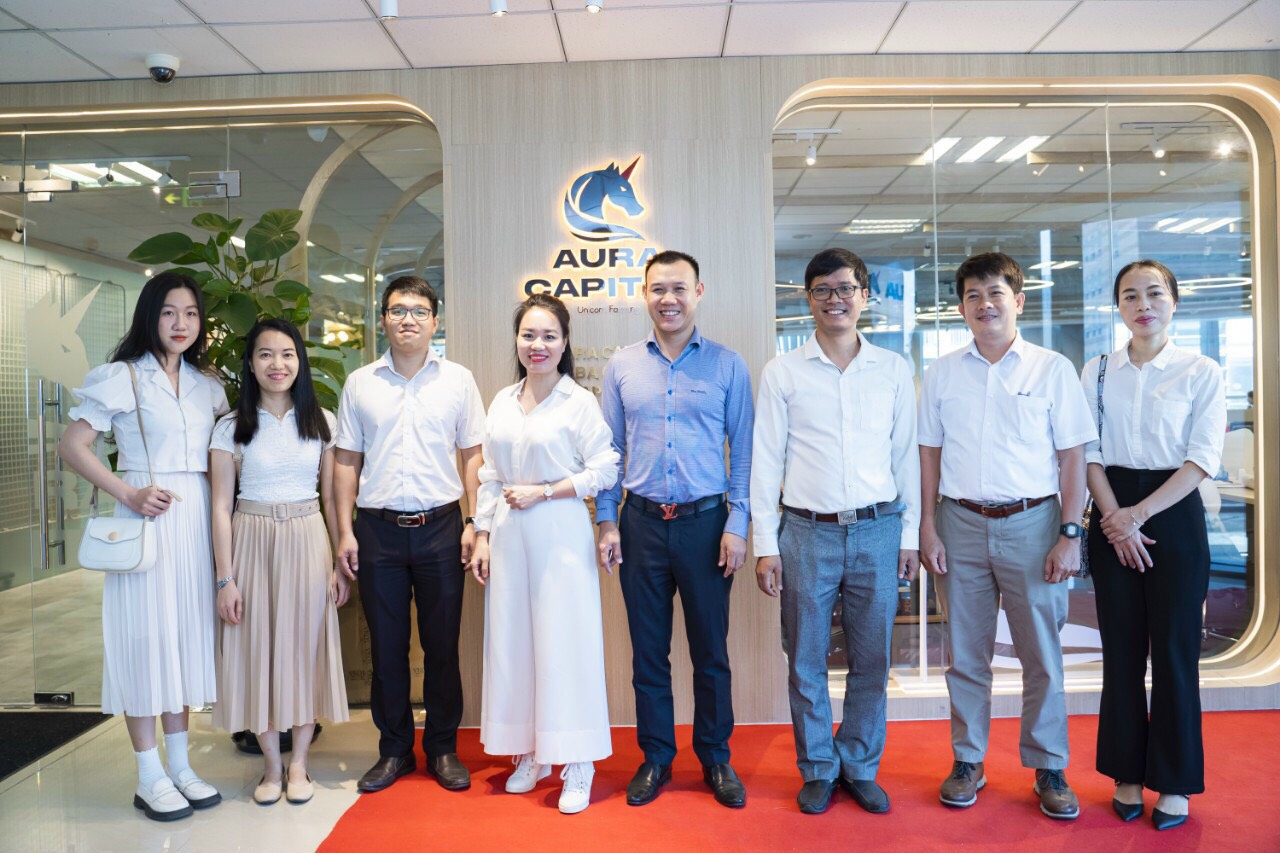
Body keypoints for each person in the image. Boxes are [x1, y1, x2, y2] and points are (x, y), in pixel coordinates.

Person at [917, 252, 1096, 820]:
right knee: (965, 654)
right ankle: (968, 759)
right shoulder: (942, 373)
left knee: (1042, 654)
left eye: (995, 293)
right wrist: (927, 525)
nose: (984, 304)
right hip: (959, 523)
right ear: (961, 308)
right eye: (972, 295)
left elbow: (1073, 458)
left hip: (1034, 524)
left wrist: (1071, 534)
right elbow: (928, 454)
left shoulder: (1051, 369)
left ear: (1018, 301)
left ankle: (1049, 765)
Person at [751, 248, 920, 816]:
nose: (835, 299)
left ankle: (860, 765)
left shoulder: (892, 369)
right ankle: (819, 768)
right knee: (806, 659)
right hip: (806, 533)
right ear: (809, 300)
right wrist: (766, 545)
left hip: (878, 529)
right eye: (822, 289)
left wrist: (910, 535)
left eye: (846, 288)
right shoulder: (783, 372)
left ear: (865, 296)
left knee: (872, 659)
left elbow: (905, 458)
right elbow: (765, 463)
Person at [58, 272, 227, 821]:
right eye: (169, 312)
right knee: (144, 643)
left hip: (195, 519)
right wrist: (127, 492)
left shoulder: (208, 385)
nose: (181, 323)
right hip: (145, 518)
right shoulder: (121, 376)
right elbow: (72, 445)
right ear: (150, 316)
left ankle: (180, 766)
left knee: (182, 641)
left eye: (191, 314)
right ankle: (149, 773)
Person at [596, 249, 754, 809]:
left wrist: (738, 523)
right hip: (640, 525)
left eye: (679, 288)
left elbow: (744, 452)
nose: (669, 299)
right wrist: (606, 521)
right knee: (648, 653)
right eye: (658, 289)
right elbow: (609, 452)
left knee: (711, 652)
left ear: (698, 292)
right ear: (645, 294)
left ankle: (715, 758)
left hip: (707, 525)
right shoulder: (621, 366)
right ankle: (657, 758)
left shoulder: (728, 365)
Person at [1080, 260, 1226, 831]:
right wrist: (1114, 517)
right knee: (1120, 652)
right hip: (1111, 506)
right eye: (1130, 295)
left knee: (1174, 651)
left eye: (1154, 293)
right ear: (1118, 306)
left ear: (1174, 301)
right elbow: (1086, 450)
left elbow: (1202, 458)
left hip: (1174, 511)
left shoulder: (1200, 370)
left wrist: (1137, 515)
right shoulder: (1097, 370)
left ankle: (1175, 781)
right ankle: (1125, 773)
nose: (1143, 305)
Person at [332, 276, 485, 794]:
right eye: (398, 310)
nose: (408, 320)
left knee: (442, 647)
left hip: (442, 528)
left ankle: (442, 748)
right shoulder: (360, 383)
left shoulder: (458, 380)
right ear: (383, 320)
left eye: (419, 311)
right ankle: (394, 749)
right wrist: (345, 532)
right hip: (377, 532)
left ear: (435, 321)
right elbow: (346, 461)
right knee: (387, 648)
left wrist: (473, 522)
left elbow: (473, 456)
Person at [467, 294, 619, 814]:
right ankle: (530, 752)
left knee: (565, 645)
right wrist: (482, 534)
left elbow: (605, 468)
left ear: (565, 342)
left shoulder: (578, 402)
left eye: (549, 336)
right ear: (517, 340)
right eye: (529, 335)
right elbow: (490, 475)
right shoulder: (502, 401)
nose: (538, 345)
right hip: (509, 534)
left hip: (560, 534)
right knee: (514, 644)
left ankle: (577, 763)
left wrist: (547, 491)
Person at [209, 318, 351, 805]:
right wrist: (225, 578)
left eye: (288, 354)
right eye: (266, 354)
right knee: (258, 651)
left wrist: (337, 563)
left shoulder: (322, 421)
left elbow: (331, 500)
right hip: (250, 538)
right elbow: (220, 507)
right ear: (250, 364)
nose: (278, 364)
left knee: (305, 650)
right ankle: (271, 768)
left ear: (300, 362)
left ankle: (300, 765)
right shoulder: (230, 426)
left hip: (308, 537)